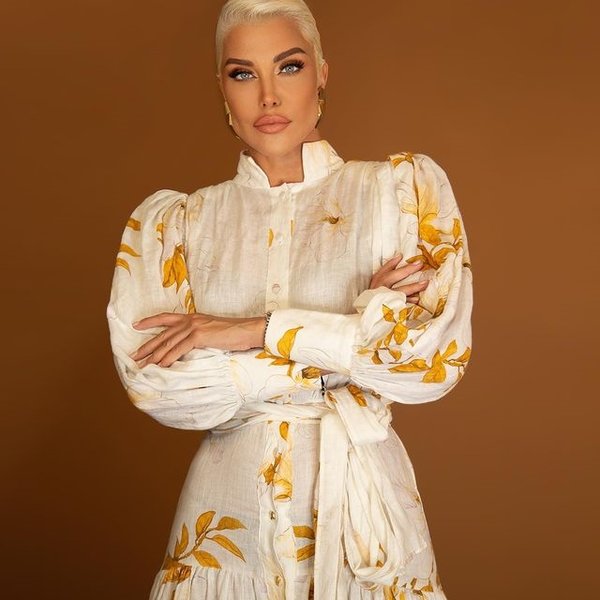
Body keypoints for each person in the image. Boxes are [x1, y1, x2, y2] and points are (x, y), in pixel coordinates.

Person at [107, 0, 473, 598]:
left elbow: (428, 362)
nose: (269, 96)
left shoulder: (400, 196)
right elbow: (161, 387)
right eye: (243, 73)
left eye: (290, 66)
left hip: (365, 523)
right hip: (229, 529)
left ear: (322, 73)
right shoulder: (179, 225)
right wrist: (352, 337)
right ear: (222, 88)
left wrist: (249, 330)